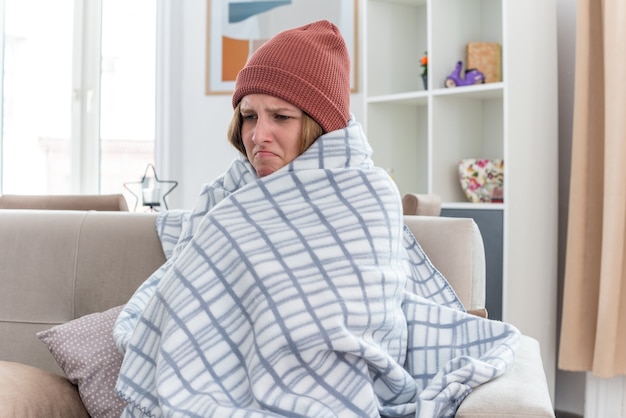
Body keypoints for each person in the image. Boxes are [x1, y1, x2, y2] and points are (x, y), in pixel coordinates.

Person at [113, 20, 519, 418]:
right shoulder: (228, 196)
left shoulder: (367, 194)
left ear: (318, 125)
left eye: (281, 117)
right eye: (250, 116)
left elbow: (350, 318)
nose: (258, 135)